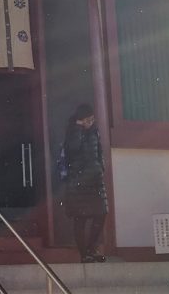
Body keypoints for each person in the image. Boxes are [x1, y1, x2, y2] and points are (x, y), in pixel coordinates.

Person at [63, 102, 108, 262]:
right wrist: (79, 128)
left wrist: (100, 167)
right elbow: (72, 149)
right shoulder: (73, 132)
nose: (91, 122)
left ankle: (91, 248)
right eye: (87, 119)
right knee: (80, 218)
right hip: (79, 181)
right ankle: (84, 254)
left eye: (92, 119)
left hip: (95, 180)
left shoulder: (94, 131)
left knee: (101, 213)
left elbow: (99, 151)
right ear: (80, 119)